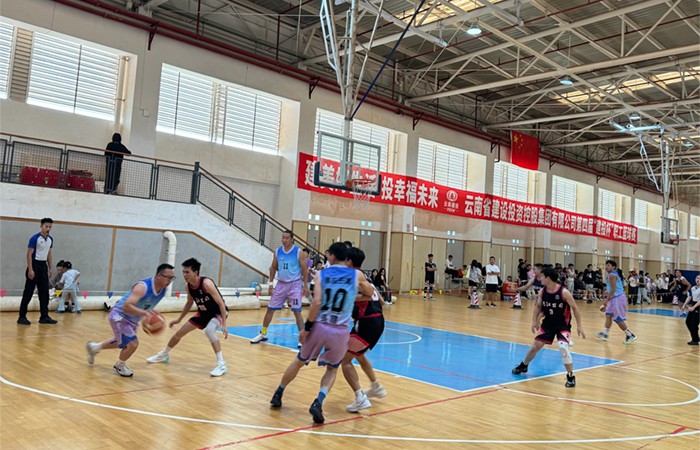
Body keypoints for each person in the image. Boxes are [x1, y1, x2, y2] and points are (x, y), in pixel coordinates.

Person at [269, 242, 374, 424]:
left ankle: (279, 392)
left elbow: (317, 302)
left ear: (331, 256)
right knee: (332, 369)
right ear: (346, 258)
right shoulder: (356, 275)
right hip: (340, 330)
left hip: (320, 325)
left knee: (299, 361)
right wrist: (353, 297)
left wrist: (307, 328)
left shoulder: (321, 274)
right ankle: (318, 401)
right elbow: (370, 294)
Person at [85, 264, 175, 377]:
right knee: (132, 344)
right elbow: (126, 306)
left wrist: (150, 316)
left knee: (121, 343)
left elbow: (146, 306)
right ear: (159, 276)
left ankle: (94, 347)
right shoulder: (142, 287)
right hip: (118, 316)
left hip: (132, 320)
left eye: (172, 278)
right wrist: (145, 313)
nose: (170, 281)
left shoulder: (162, 291)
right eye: (168, 277)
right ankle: (120, 365)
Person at [146, 258, 229, 376]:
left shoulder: (206, 283)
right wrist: (179, 319)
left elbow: (221, 303)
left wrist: (224, 324)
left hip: (218, 313)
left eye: (187, 272)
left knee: (209, 331)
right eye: (183, 272)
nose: (184, 275)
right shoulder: (188, 286)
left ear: (195, 272)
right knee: (179, 333)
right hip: (203, 313)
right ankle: (164, 355)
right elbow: (189, 303)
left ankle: (221, 364)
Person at [512, 268, 585, 387]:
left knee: (562, 347)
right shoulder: (542, 291)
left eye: (542, 276)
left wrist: (580, 326)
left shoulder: (564, 292)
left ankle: (570, 376)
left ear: (548, 278)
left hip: (563, 325)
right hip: (548, 324)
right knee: (535, 347)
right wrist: (534, 321)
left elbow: (575, 309)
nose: (540, 278)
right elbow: (538, 306)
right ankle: (524, 365)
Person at [342, 247, 387, 413]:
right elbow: (381, 300)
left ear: (349, 261)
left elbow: (367, 295)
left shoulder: (354, 276)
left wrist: (350, 299)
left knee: (345, 360)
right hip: (378, 320)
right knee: (358, 355)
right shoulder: (365, 277)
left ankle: (360, 398)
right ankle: (376, 387)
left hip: (367, 322)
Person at [250, 230, 308, 345]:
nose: (284, 240)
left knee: (297, 312)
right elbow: (273, 268)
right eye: (283, 237)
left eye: (287, 238)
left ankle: (302, 338)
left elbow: (304, 269)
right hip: (281, 284)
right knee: (270, 309)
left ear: (292, 239)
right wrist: (271, 283)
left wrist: (305, 285)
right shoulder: (277, 251)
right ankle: (263, 333)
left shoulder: (298, 252)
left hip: (294, 285)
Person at [18, 218, 57, 325]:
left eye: (50, 227)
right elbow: (29, 254)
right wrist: (30, 269)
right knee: (28, 292)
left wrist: (50, 268)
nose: (48, 229)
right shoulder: (34, 238)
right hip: (34, 265)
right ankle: (22, 317)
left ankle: (44, 316)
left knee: (44, 293)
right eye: (46, 226)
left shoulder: (50, 239)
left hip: (43, 266)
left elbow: (49, 253)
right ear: (41, 226)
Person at [595, 260, 637, 345]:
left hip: (618, 298)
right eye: (606, 265)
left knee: (617, 318)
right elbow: (612, 288)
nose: (606, 267)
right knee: (608, 315)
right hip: (614, 298)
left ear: (613, 267)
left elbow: (613, 289)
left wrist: (606, 301)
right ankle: (605, 333)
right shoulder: (611, 274)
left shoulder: (612, 275)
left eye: (609, 265)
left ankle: (630, 335)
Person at [681, 275, 700, 345]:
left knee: (694, 323)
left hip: (698, 306)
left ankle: (695, 340)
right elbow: (690, 296)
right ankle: (696, 337)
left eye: (699, 279)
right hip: (694, 305)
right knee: (688, 321)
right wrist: (684, 305)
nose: (698, 280)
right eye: (697, 278)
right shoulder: (693, 288)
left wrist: (693, 307)